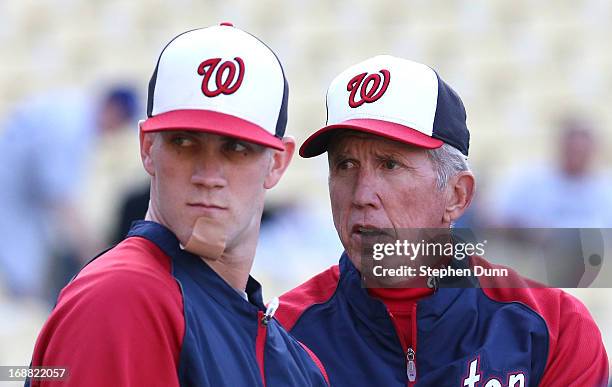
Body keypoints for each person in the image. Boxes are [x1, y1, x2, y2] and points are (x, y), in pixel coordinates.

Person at [275, 56, 609, 386]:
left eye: (390, 165)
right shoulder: (281, 336)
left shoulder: (555, 329)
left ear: (457, 196)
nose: (362, 194)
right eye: (345, 165)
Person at [27, 23, 329, 387]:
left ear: (278, 163)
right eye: (184, 142)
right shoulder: (124, 298)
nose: (208, 174)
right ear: (147, 148)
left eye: (236, 148)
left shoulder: (296, 358)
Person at [0, 86, 137, 300]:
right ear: (113, 110)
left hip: (23, 202)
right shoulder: (70, 123)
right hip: (11, 201)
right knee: (22, 284)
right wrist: (95, 254)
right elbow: (61, 197)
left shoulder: (75, 113)